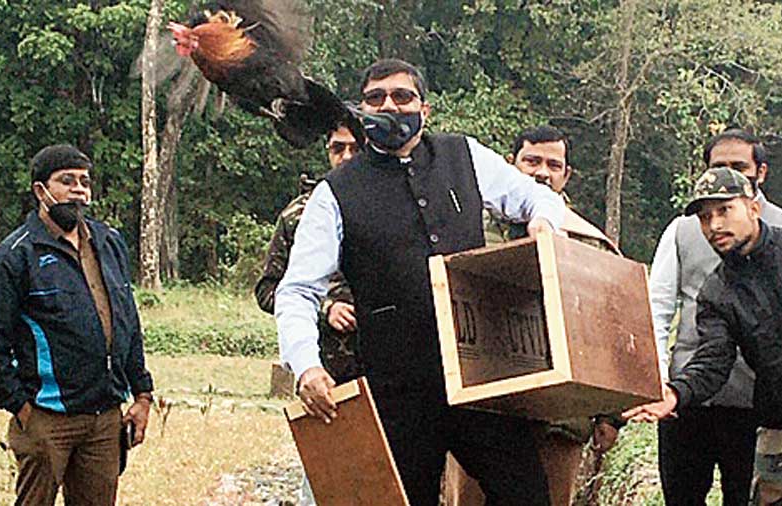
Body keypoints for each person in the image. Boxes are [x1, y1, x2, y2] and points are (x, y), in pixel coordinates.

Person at [276, 58, 566, 505]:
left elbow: (535, 196)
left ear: (424, 109)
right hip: (396, 388)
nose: (389, 106)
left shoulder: (464, 155)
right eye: (375, 98)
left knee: (527, 495)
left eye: (401, 96)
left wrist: (542, 224)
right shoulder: (335, 191)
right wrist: (306, 366)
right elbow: (297, 290)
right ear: (361, 110)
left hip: (480, 378)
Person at [625, 167, 782, 505]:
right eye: (704, 217)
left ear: (753, 207)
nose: (714, 226)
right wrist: (675, 394)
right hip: (781, 426)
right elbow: (712, 362)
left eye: (725, 210)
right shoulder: (717, 292)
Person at [442, 125, 618, 506]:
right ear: (510, 164)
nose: (542, 172)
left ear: (566, 174)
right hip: (478, 409)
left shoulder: (588, 242)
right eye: (532, 161)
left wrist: (609, 416)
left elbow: (607, 334)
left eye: (554, 165)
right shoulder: (467, 229)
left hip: (560, 420)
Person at [0, 144, 154, 505]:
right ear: (41, 191)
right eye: (66, 181)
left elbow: (127, 322)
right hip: (47, 416)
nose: (78, 190)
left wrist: (142, 394)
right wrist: (21, 407)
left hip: (105, 417)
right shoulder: (15, 255)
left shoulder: (109, 242)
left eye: (84, 182)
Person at [647, 129, 782, 505]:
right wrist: (658, 377)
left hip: (760, 403)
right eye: (718, 166)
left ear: (761, 172)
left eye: (739, 166)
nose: (728, 175)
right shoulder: (682, 229)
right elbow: (657, 306)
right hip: (689, 399)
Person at [255, 124, 363, 384]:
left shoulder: (395, 204)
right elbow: (268, 291)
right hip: (326, 372)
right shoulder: (299, 214)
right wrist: (326, 309)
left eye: (355, 149)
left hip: (390, 368)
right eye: (338, 148)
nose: (346, 157)